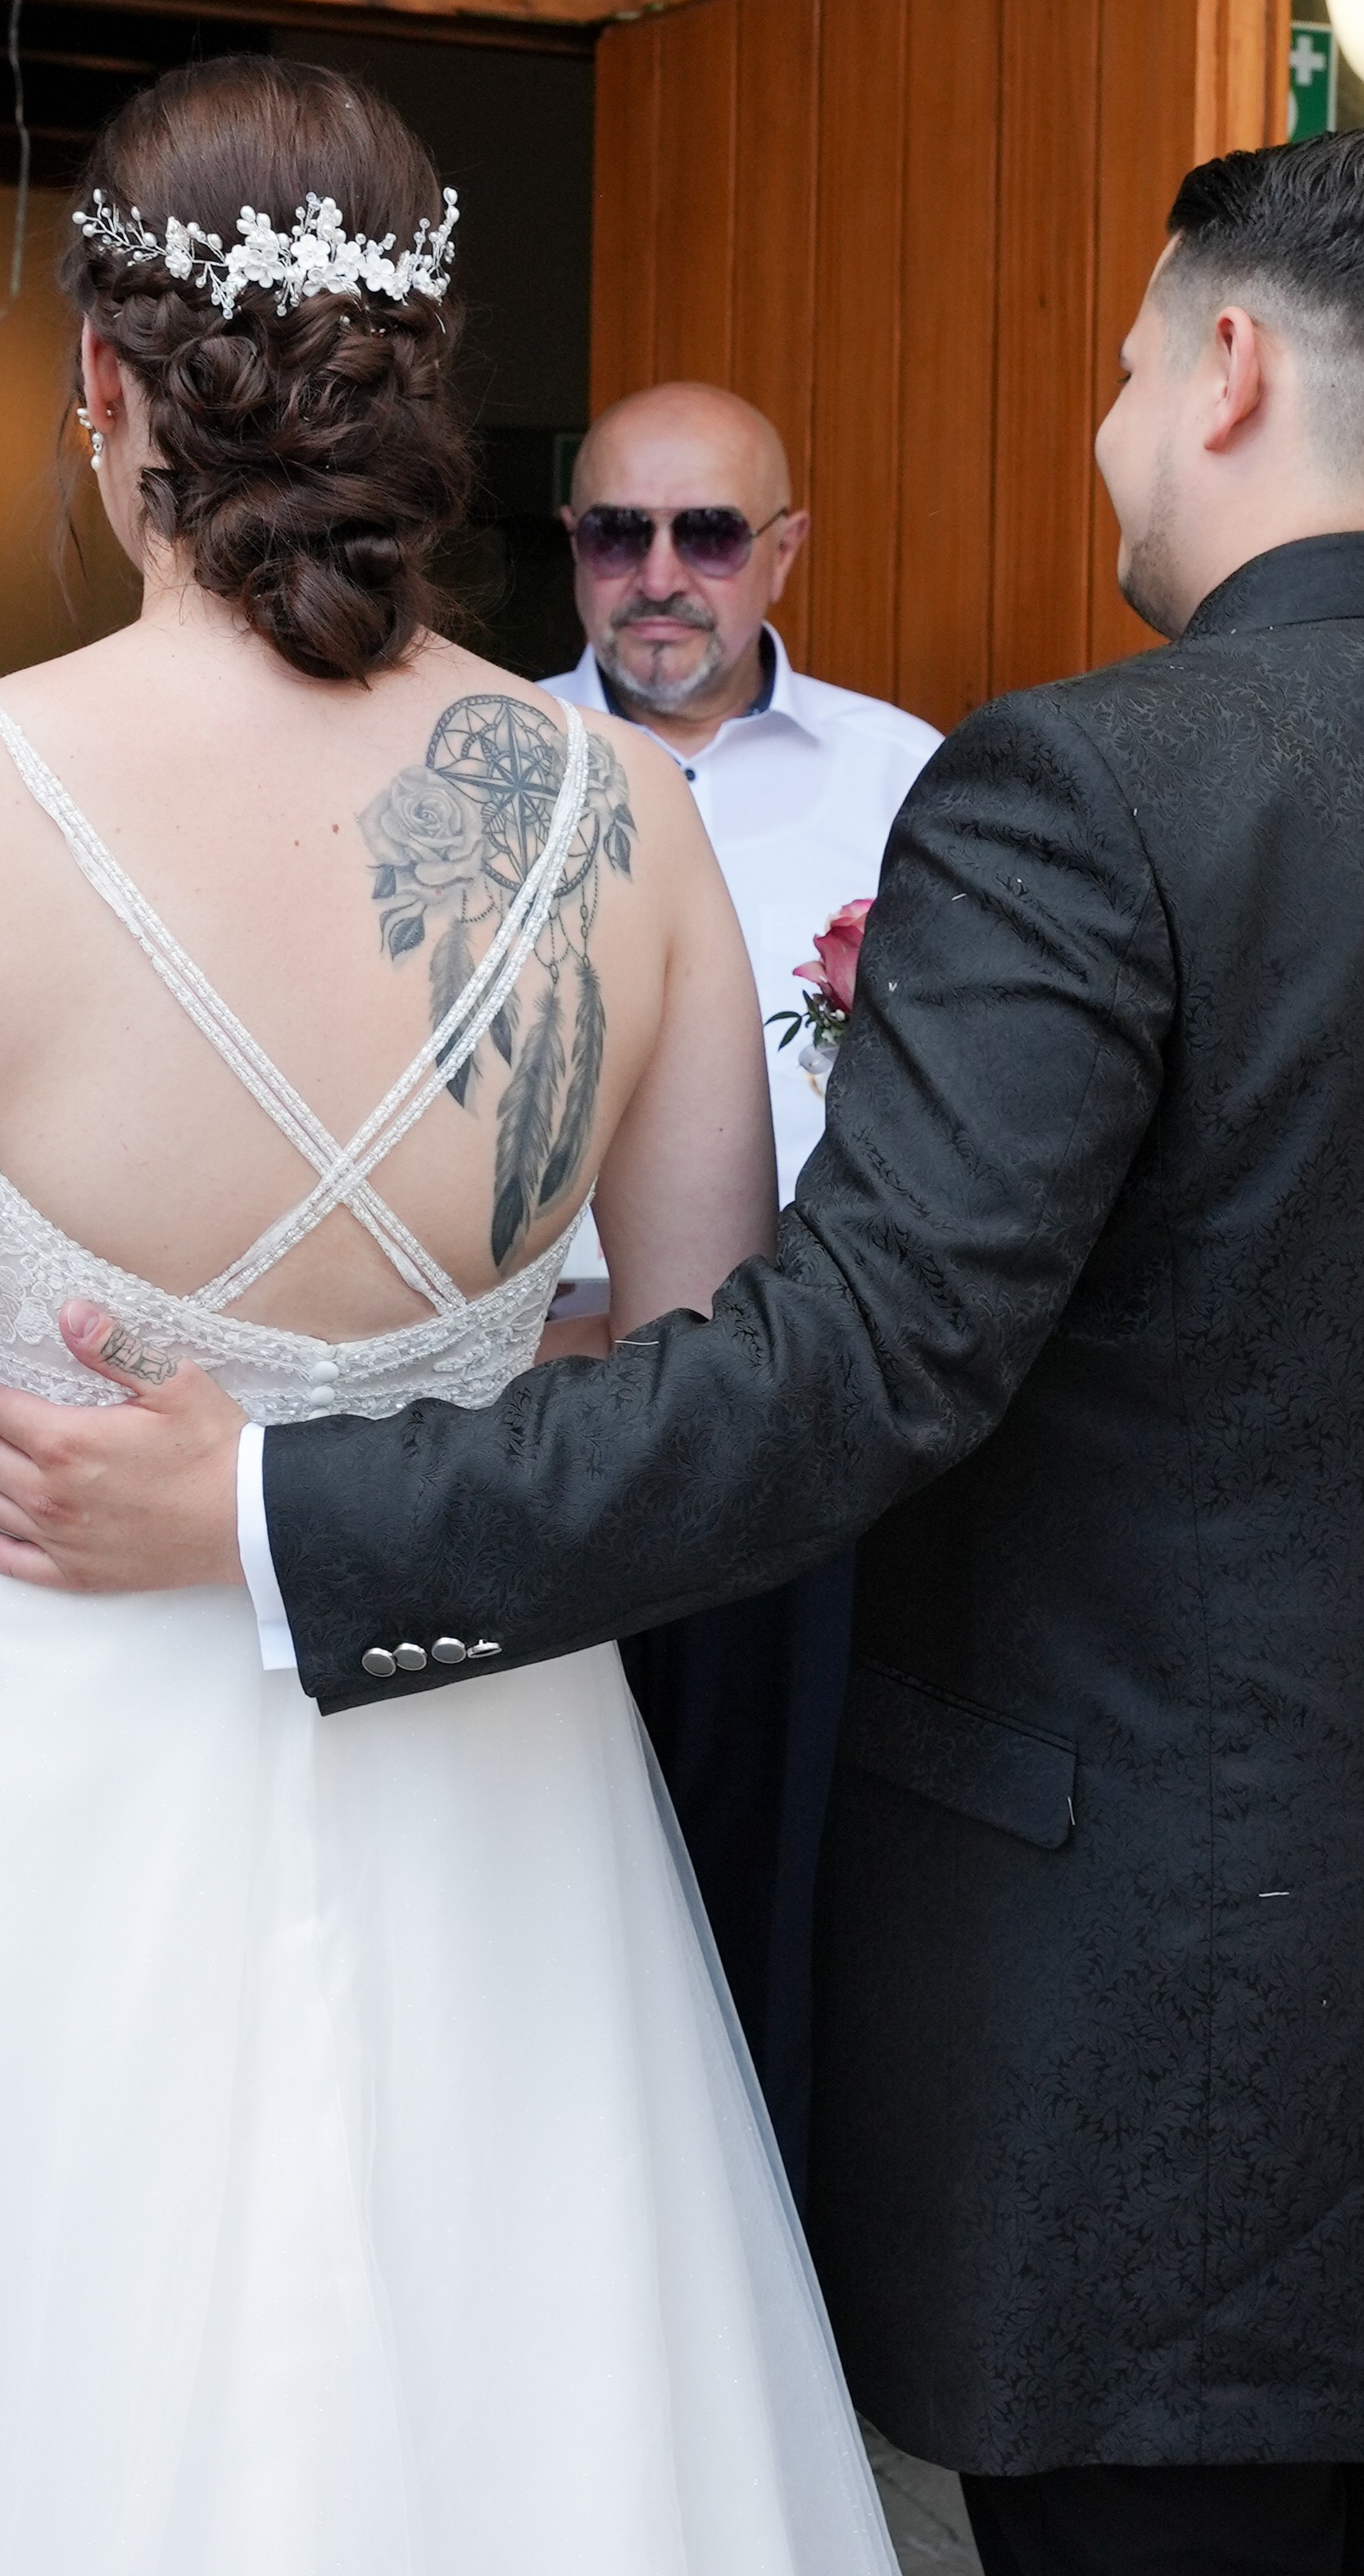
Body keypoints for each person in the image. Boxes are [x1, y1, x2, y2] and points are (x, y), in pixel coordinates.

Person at [0, 128, 1364, 2575]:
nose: (1102, 434)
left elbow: (847, 1367)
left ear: (1222, 371)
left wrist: (277, 1504)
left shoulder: (1087, 787)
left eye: (1114, 371)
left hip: (1153, 2041)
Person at [0, 56, 898, 2573]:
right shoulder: (624, 821)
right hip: (484, 1753)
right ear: (420, 389)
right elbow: (708, 1388)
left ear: (104, 386)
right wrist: (367, 1426)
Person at [546, 379, 939, 2191]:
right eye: (613, 533)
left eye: (704, 535)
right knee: (538, 1857)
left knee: (763, 1857)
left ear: (783, 549)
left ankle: (749, 2249)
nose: (655, 578)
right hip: (522, 1409)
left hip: (793, 1423)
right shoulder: (471, 766)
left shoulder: (908, 786)